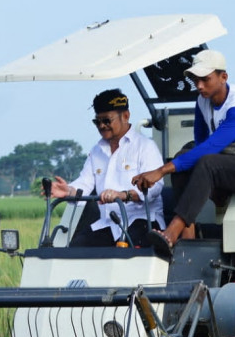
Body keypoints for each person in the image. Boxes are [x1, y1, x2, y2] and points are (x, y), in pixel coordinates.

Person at [132, 49, 235, 258]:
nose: (199, 86)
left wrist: (160, 171)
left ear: (223, 77)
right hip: (232, 168)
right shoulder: (203, 101)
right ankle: (189, 239)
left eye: (205, 79)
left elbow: (211, 147)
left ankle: (171, 232)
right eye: (196, 80)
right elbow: (200, 143)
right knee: (184, 157)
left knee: (206, 162)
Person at [47, 89, 165, 247]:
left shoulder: (145, 146)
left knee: (126, 254)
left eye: (107, 121)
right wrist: (67, 191)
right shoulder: (96, 151)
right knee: (75, 249)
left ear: (126, 116)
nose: (102, 126)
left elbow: (155, 188)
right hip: (109, 224)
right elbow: (85, 183)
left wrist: (124, 195)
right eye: (97, 122)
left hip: (143, 221)